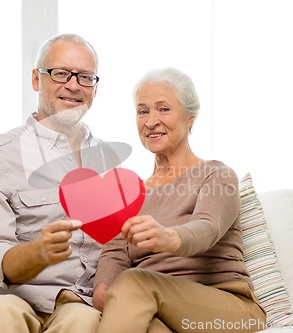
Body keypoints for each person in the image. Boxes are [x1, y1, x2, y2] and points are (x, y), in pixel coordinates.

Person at [0, 34, 114, 333]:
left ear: (95, 88)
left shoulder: (110, 164)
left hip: (78, 303)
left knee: (84, 322)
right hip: (8, 297)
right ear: (36, 80)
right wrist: (38, 252)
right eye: (61, 73)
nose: (74, 85)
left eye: (85, 77)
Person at [93, 68, 266, 333]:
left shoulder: (216, 174)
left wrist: (168, 238)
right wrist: (103, 289)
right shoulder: (129, 194)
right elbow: (115, 254)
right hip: (155, 307)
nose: (151, 121)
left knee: (134, 282)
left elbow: (207, 227)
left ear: (190, 119)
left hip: (228, 308)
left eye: (163, 109)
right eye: (142, 111)